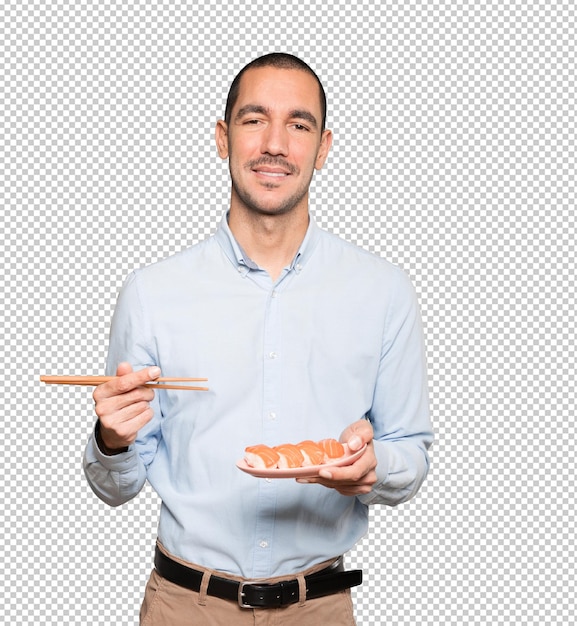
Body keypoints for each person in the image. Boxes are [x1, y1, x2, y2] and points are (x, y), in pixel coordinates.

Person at [83, 52, 434, 626]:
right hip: (185, 607)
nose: (275, 143)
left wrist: (373, 465)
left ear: (323, 148)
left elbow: (411, 452)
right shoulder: (151, 293)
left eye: (299, 125)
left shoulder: (383, 290)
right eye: (254, 120)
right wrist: (112, 439)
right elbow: (116, 487)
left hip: (318, 606)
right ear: (222, 138)